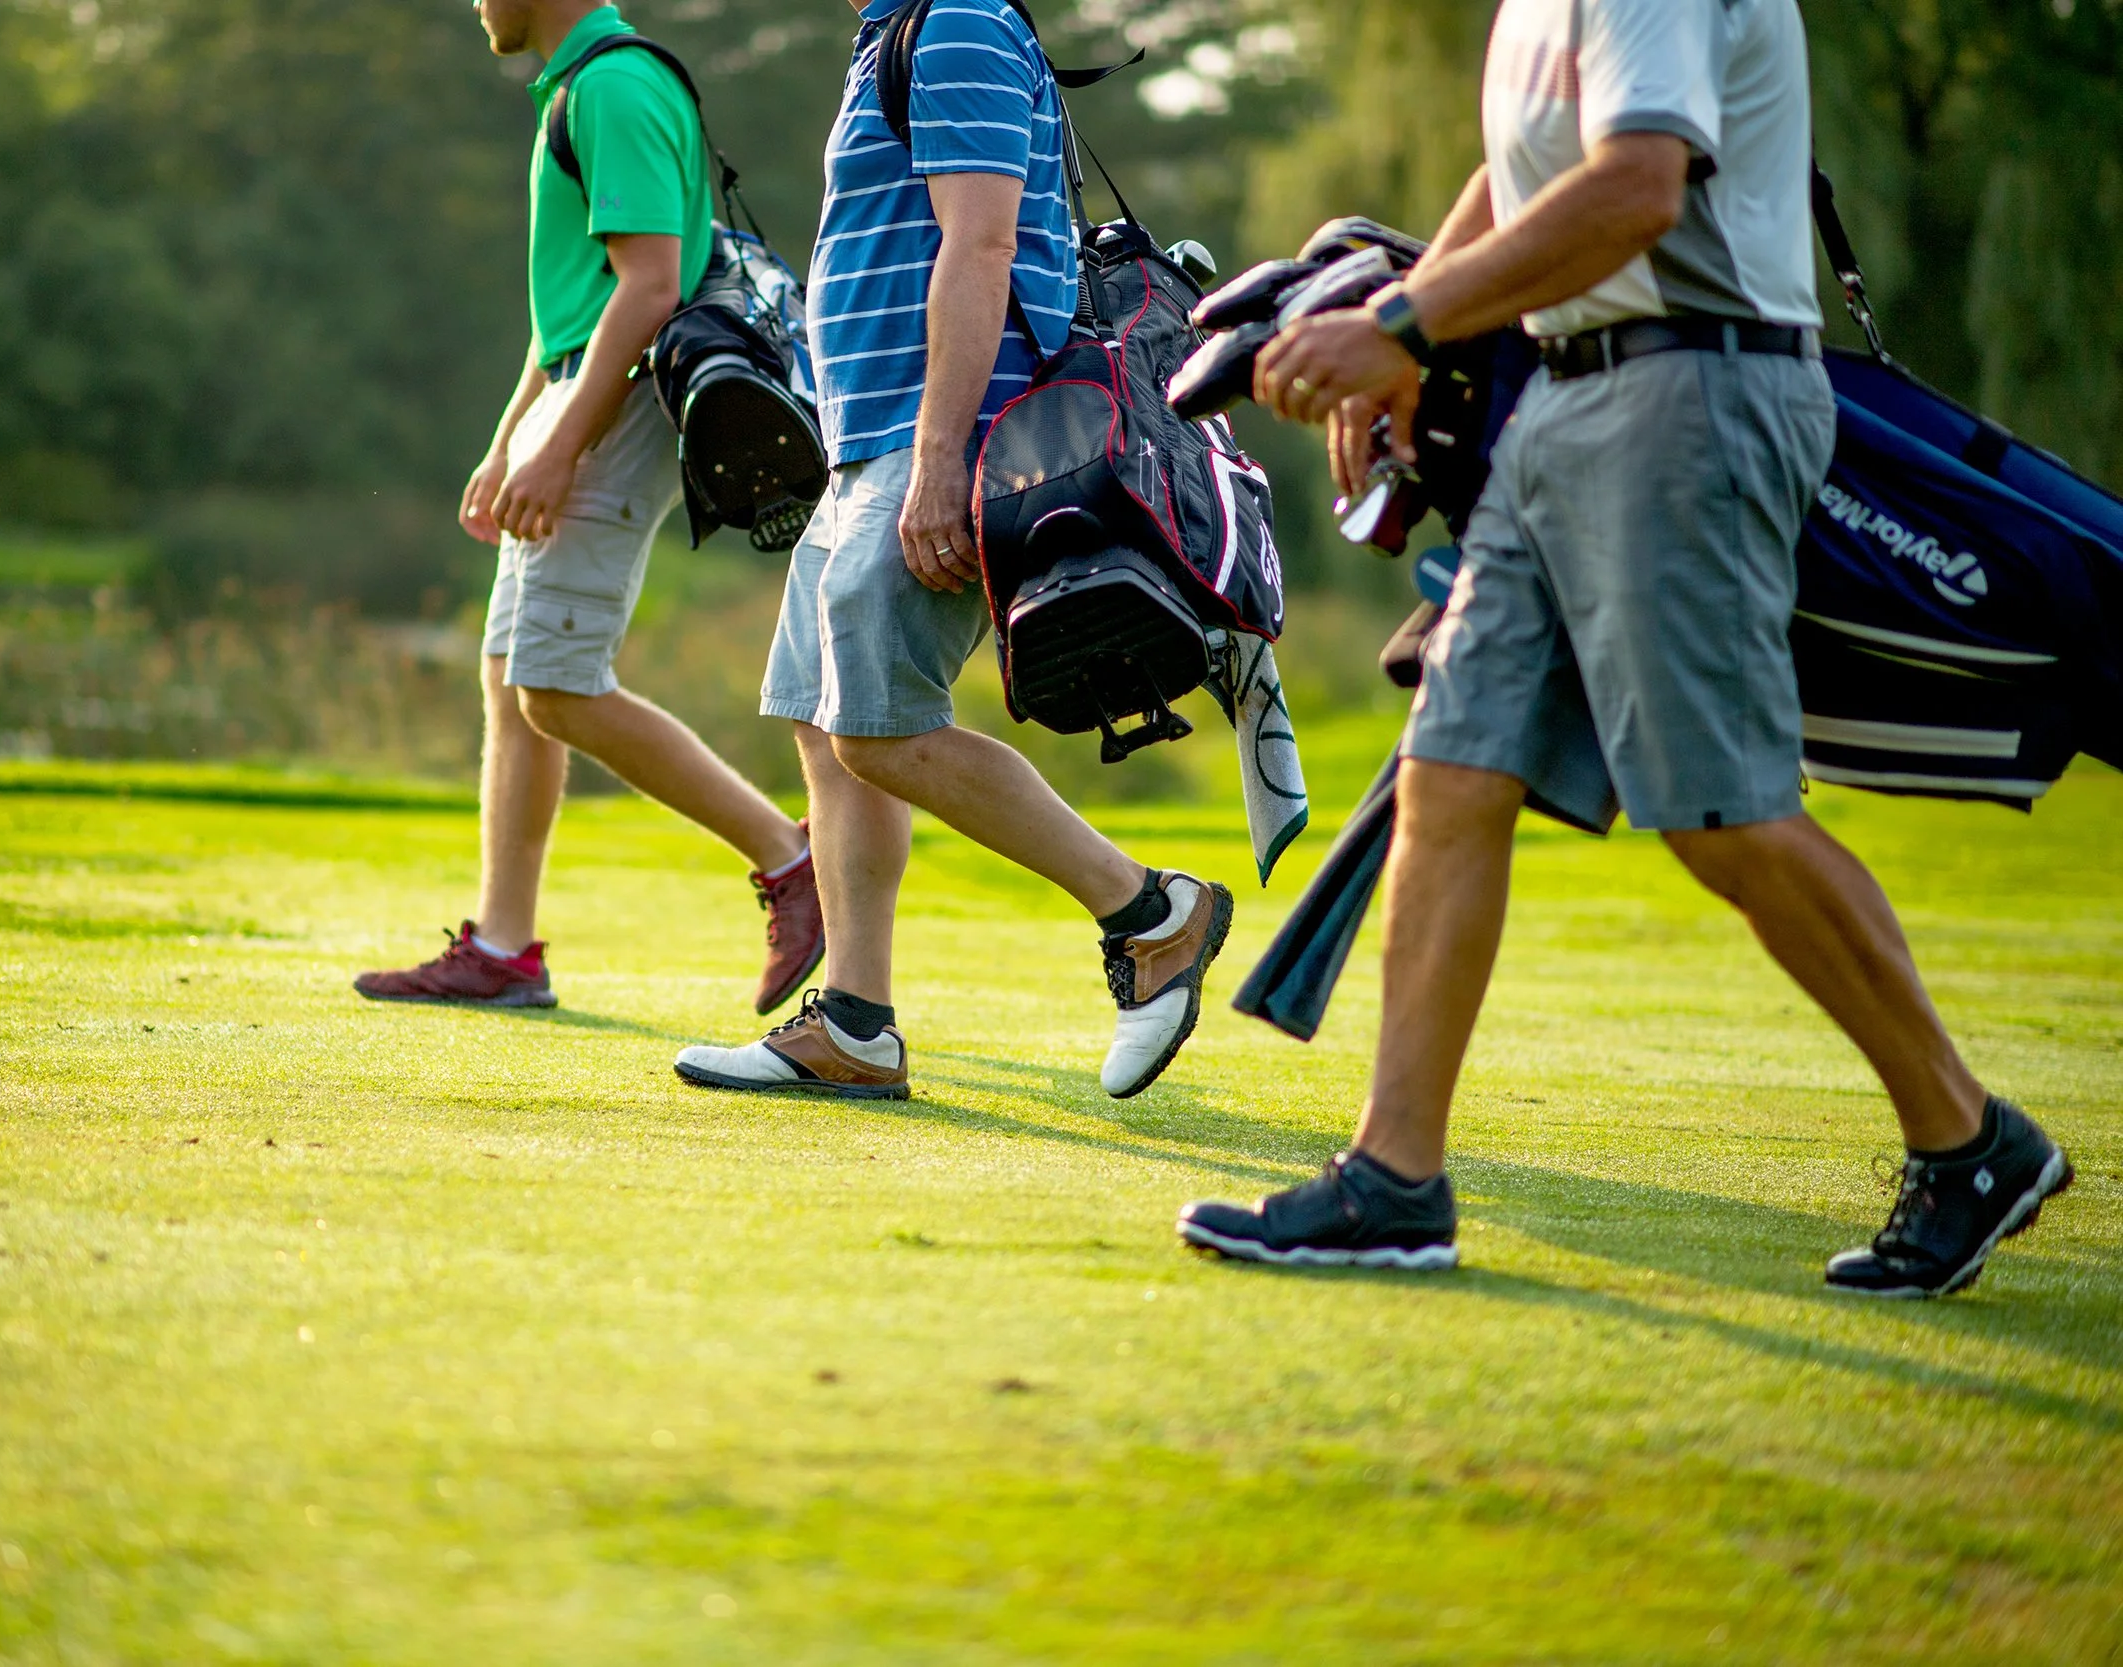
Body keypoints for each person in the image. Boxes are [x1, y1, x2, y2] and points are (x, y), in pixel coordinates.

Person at [1177, 0, 2072, 1296]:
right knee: (1453, 771)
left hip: (1692, 398)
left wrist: (1406, 324)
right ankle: (1393, 1180)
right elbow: (1518, 182)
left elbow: (1636, 188)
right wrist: (1404, 328)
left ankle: (1969, 1135)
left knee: (1725, 812)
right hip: (1566, 397)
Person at [670, 0, 1233, 1103]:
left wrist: (936, 464)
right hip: (865, 445)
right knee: (826, 731)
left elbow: (980, 248)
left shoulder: (960, 22)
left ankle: (1151, 910)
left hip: (943, 441)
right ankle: (857, 1025)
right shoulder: (893, 31)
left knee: (880, 732)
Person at [356, 0, 824, 1016]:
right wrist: (510, 439)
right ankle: (505, 948)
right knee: (510, 675)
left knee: (558, 688)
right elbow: (573, 301)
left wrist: (563, 446)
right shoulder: (580, 86)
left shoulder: (613, 85)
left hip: (615, 407)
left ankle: (791, 860)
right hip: (578, 394)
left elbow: (650, 288)